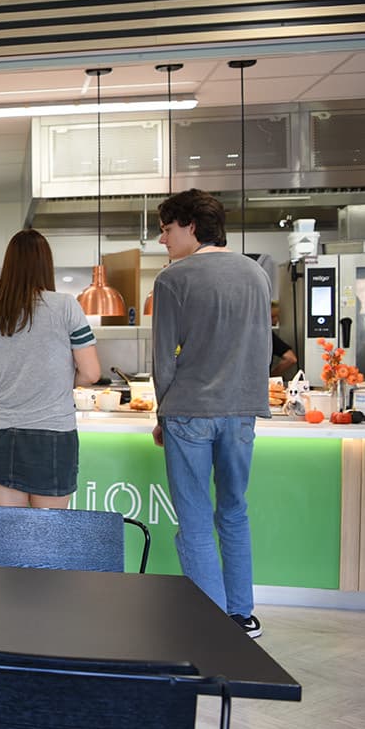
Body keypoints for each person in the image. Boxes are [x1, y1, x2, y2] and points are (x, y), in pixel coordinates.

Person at [152, 189, 270, 638]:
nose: (163, 239)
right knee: (234, 511)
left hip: (189, 412)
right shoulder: (256, 274)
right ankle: (241, 616)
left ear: (191, 227)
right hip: (242, 411)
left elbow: (164, 360)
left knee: (196, 518)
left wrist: (163, 414)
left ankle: (210, 625)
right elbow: (260, 348)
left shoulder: (173, 279)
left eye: (167, 229)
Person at [0, 230, 100, 508]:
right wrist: (55, 379)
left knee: (10, 533)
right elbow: (91, 373)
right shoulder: (65, 306)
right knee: (45, 537)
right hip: (51, 433)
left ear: (7, 266)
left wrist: (1, 376)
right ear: (46, 265)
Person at [270, 301, 299, 380]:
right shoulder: (269, 336)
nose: (277, 320)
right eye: (274, 316)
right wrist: (271, 376)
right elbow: (291, 359)